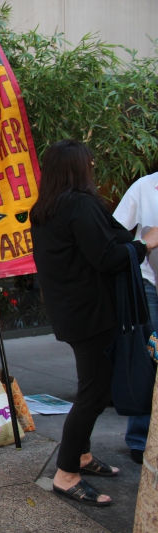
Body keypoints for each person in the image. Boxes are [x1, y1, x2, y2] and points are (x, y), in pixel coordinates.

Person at [31, 139, 158, 506]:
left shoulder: (46, 208)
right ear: (78, 168)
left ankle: (82, 456)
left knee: (93, 388)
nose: (93, 168)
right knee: (94, 393)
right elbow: (108, 257)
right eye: (89, 162)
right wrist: (144, 244)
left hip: (72, 312)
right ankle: (66, 472)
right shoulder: (80, 205)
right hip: (92, 315)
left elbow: (101, 239)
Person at [112, 171, 158, 465]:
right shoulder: (144, 187)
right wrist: (142, 243)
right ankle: (140, 439)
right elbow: (115, 232)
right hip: (149, 283)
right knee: (149, 354)